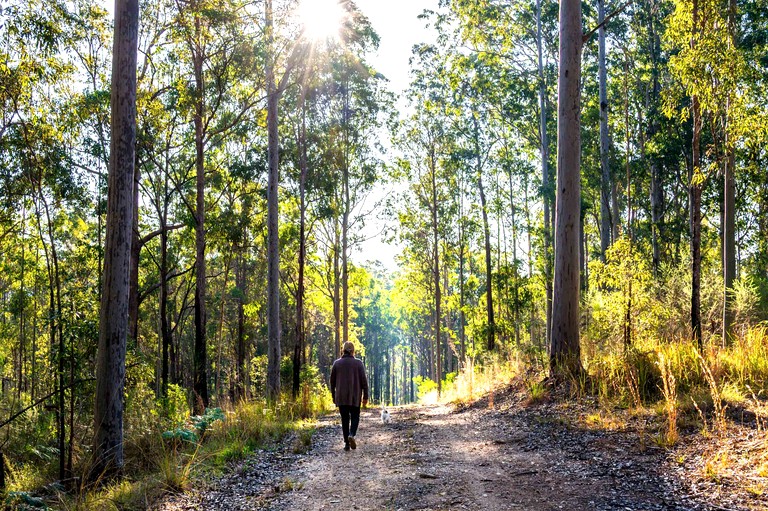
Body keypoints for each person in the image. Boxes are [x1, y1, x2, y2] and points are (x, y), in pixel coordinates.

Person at [330, 341, 369, 451]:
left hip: (341, 397)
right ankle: (351, 434)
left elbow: (332, 382)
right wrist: (365, 396)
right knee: (355, 416)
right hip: (355, 396)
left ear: (343, 350)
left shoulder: (337, 363)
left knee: (345, 419)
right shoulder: (358, 363)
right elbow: (364, 382)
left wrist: (333, 395)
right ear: (353, 351)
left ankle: (347, 444)